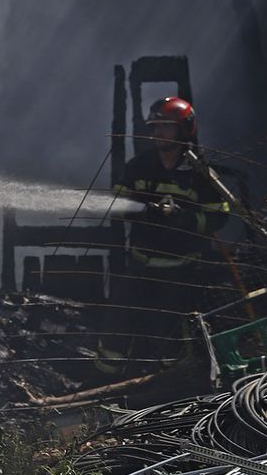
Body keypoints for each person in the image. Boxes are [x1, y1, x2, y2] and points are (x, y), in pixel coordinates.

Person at [96, 96, 236, 376]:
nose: (158, 133)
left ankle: (166, 386)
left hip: (180, 271)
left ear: (184, 130)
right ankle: (102, 379)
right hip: (139, 266)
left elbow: (219, 216)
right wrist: (144, 210)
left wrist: (183, 218)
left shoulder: (199, 173)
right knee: (116, 325)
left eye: (166, 127)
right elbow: (117, 203)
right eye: (155, 127)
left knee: (166, 334)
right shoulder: (140, 166)